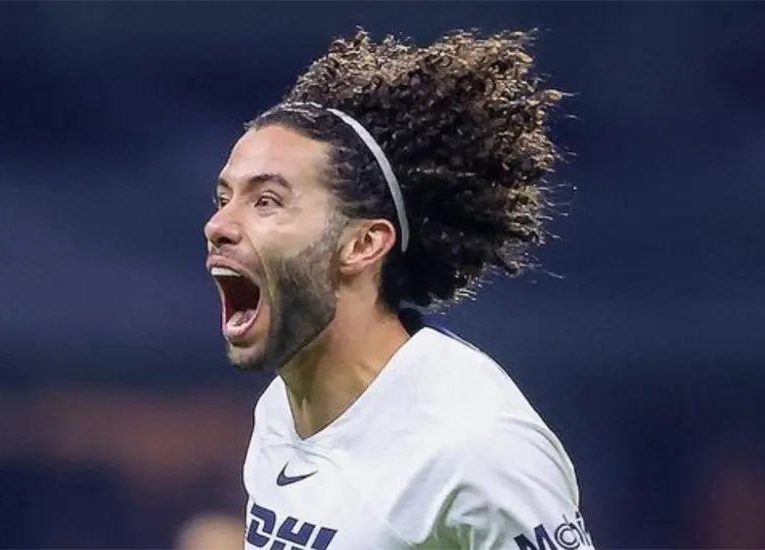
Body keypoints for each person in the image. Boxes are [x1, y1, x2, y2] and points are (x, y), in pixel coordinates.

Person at [204, 29, 595, 550]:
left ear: (363, 244)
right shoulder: (283, 406)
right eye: (224, 197)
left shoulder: (476, 447)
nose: (218, 224)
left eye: (267, 201)